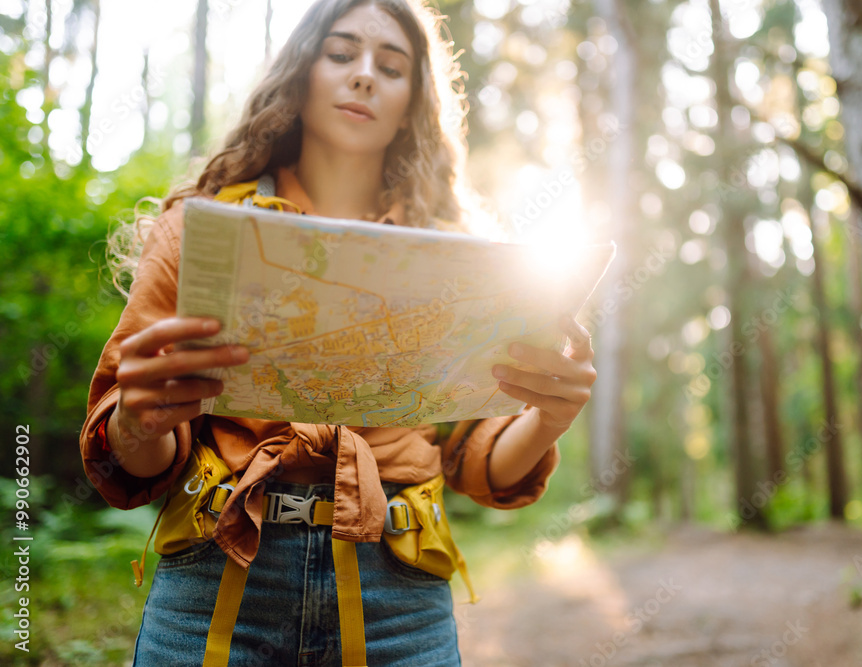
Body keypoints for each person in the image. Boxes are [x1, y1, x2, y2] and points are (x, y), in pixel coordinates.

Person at [79, 1, 597, 665]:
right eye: (342, 53)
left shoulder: (463, 259)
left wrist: (548, 418)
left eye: (392, 66)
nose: (364, 75)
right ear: (300, 74)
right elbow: (129, 458)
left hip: (400, 597)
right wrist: (137, 420)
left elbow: (480, 460)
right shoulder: (200, 228)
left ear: (413, 104)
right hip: (217, 575)